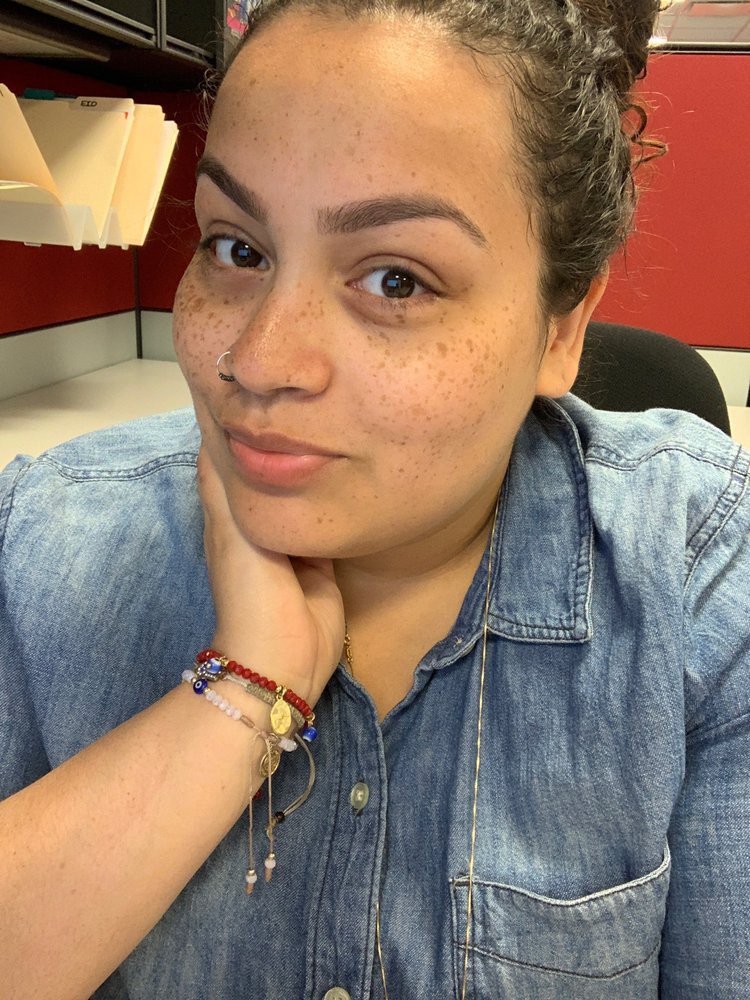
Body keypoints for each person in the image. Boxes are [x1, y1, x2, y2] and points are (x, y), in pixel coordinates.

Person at [0, 0, 748, 997]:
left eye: (396, 280)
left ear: (562, 326)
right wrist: (242, 693)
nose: (258, 361)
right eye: (237, 248)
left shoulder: (699, 588)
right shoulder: (42, 544)